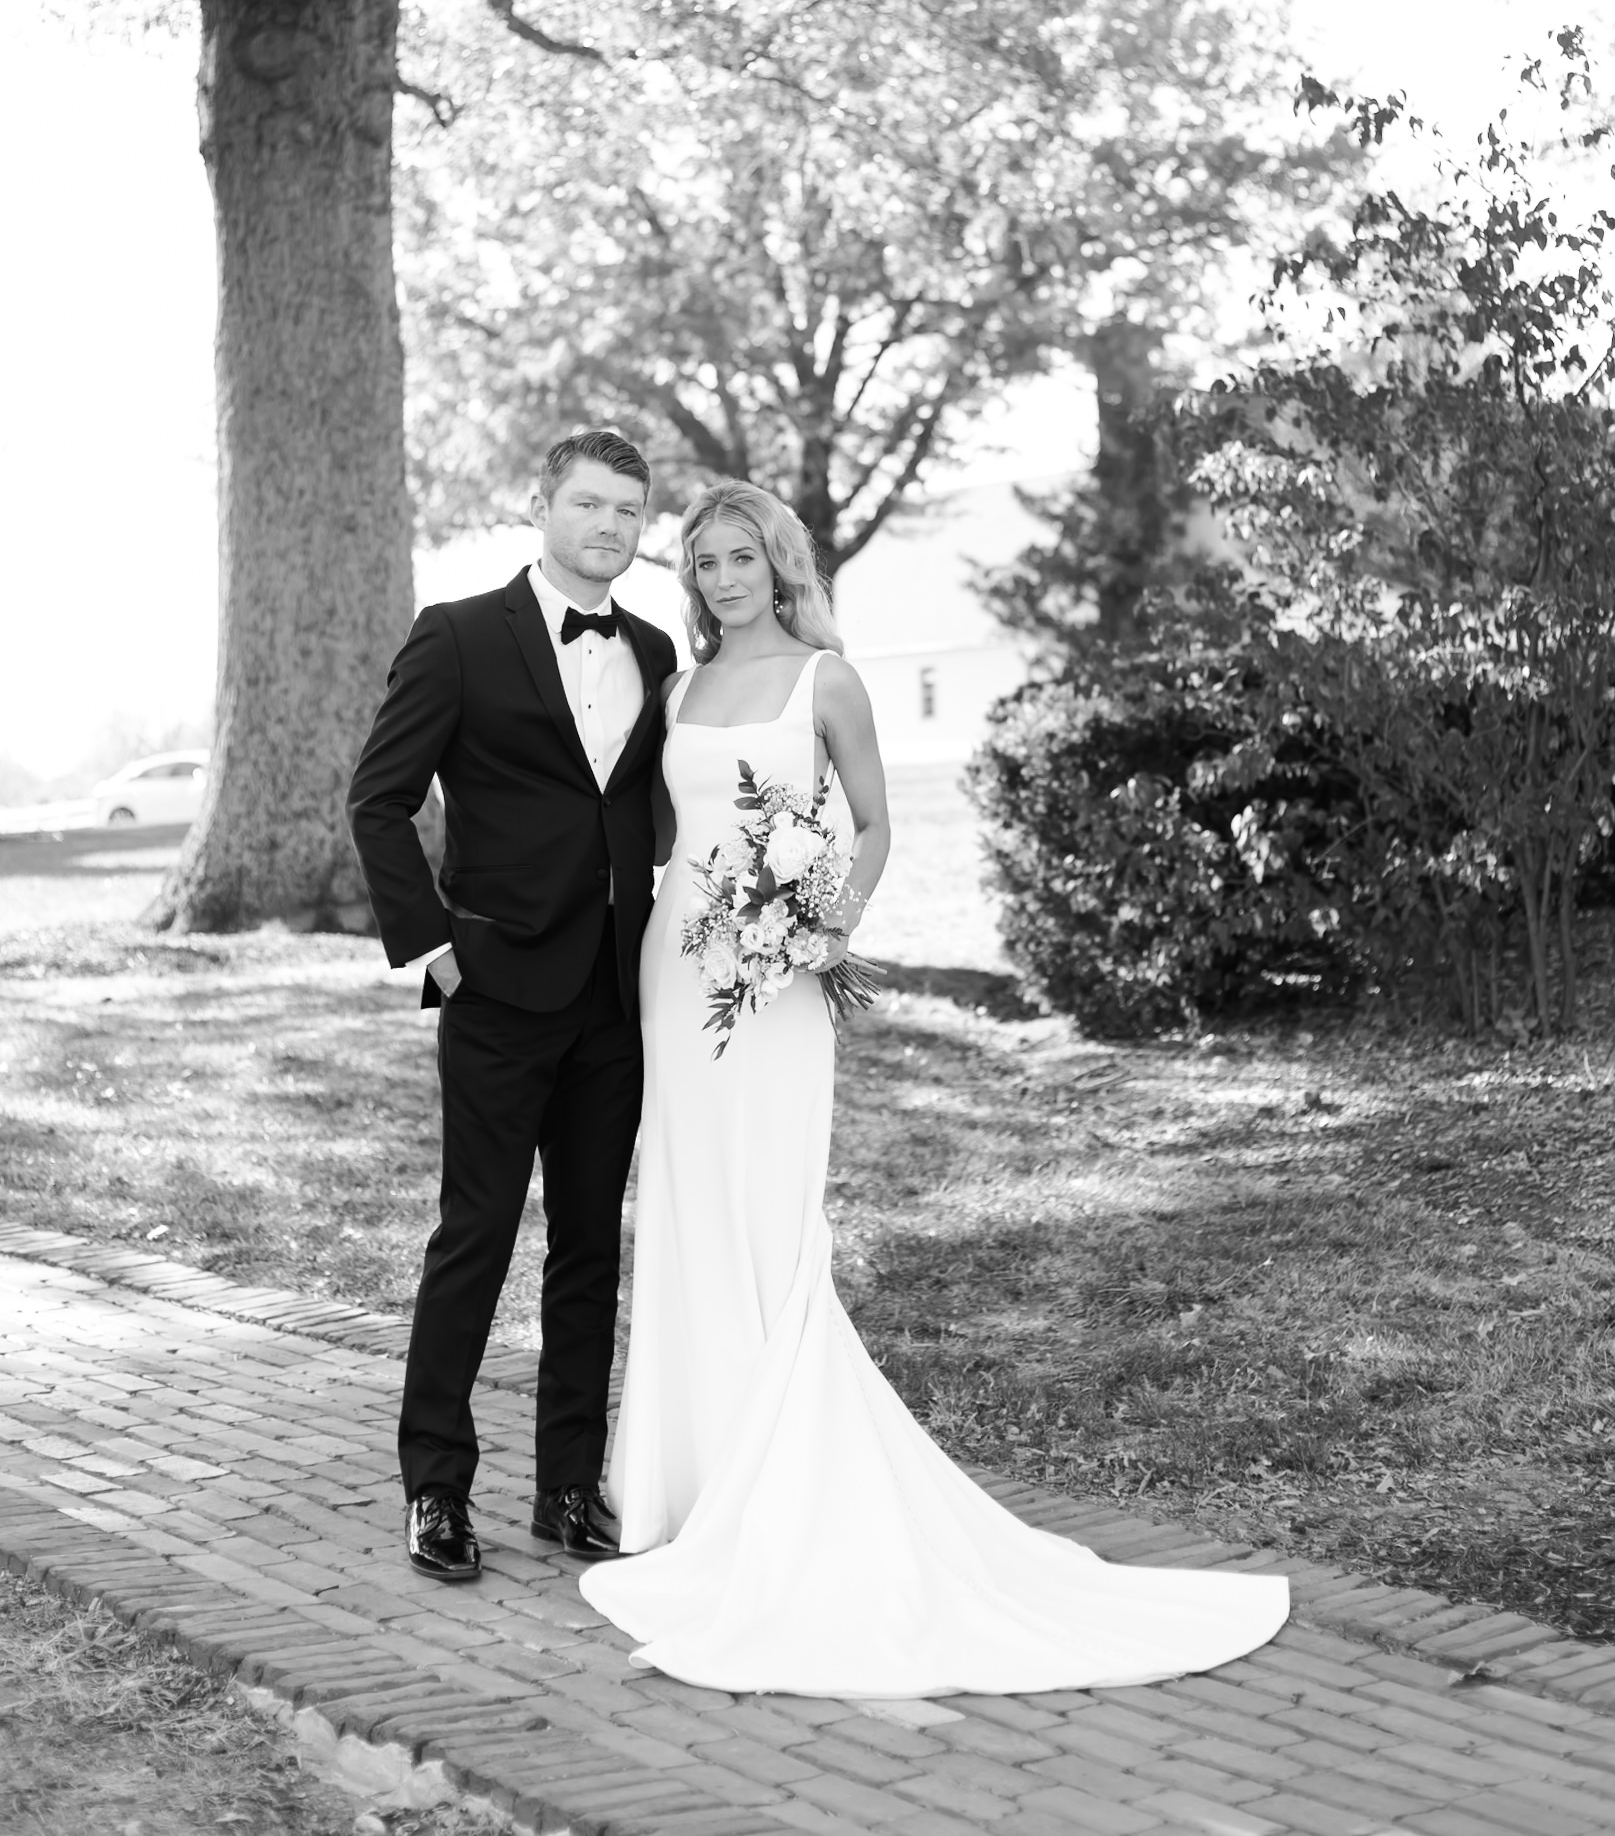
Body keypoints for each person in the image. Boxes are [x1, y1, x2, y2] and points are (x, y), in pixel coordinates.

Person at [579, 477, 1289, 1696]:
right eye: (704, 564)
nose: (724, 580)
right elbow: (660, 837)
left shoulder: (828, 680)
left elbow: (872, 825)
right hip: (676, 967)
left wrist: (823, 925)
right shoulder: (679, 691)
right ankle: (686, 1487)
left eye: (742, 558)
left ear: (778, 564)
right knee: (686, 1203)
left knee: (768, 1210)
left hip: (782, 985)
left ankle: (782, 1482)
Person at [347, 428, 677, 1582]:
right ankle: (435, 1487)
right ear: (540, 506)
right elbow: (379, 800)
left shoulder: (654, 648)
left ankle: (567, 1483)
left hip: (617, 995)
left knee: (588, 1245)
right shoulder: (456, 634)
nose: (608, 525)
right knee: (475, 1235)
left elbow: (649, 813)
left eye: (628, 510)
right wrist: (433, 948)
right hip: (494, 988)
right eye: (588, 502)